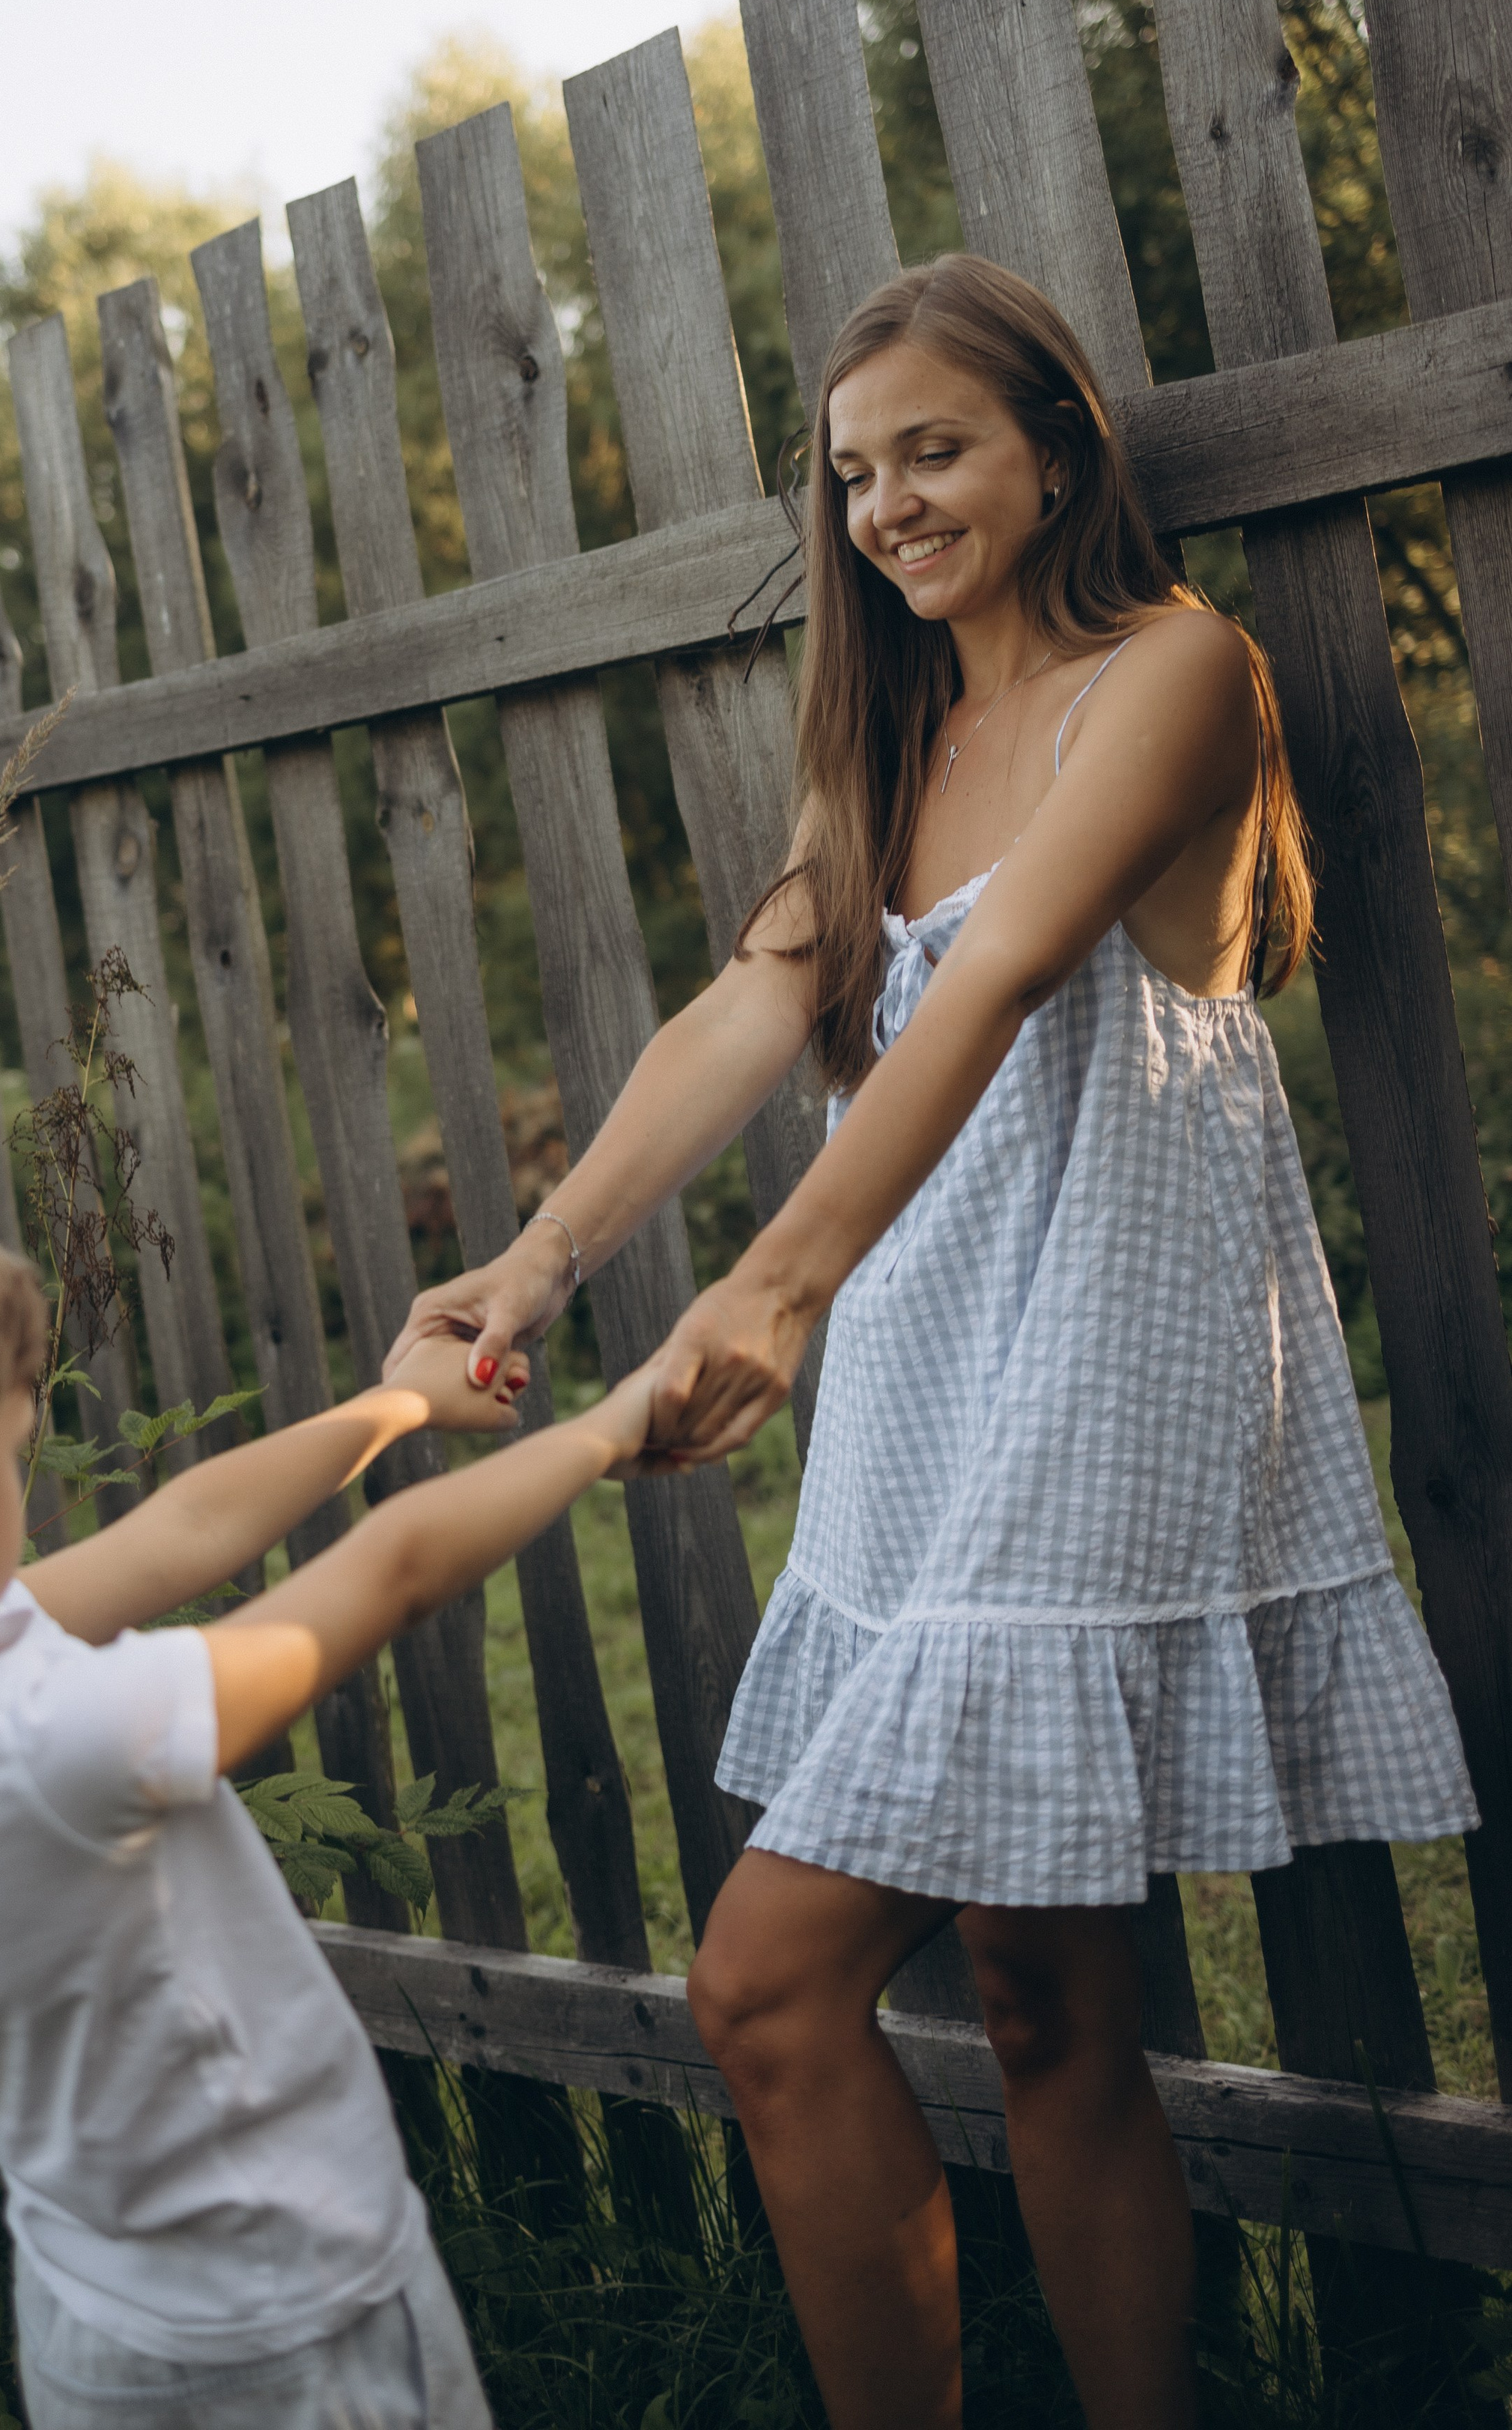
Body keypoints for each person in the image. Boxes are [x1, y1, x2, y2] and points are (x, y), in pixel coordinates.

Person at [386, 254, 1478, 2429]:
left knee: (763, 1988)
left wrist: (776, 1283)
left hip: (1104, 1370)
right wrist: (540, 1260)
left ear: (1055, 452)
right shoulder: (895, 741)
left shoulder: (1174, 673)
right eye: (853, 473)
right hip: (933, 1370)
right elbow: (752, 1006)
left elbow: (992, 984)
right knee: (1039, 1991)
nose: (887, 504)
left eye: (935, 451)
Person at [0, 1172, 671, 2430]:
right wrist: (619, 1421)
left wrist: (399, 1405)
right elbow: (393, 1571)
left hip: (105, 2306)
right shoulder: (33, 1742)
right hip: (279, 2330)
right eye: (10, 1453)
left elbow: (183, 1529)